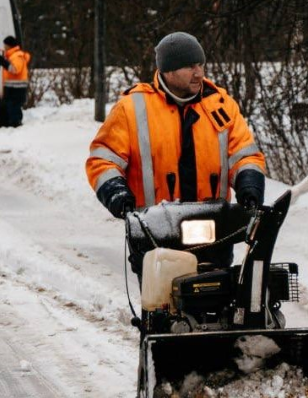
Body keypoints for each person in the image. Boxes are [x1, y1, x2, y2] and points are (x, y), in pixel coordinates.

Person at [86, 32, 266, 262]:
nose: (198, 73)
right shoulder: (132, 108)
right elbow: (103, 160)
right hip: (155, 231)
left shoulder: (220, 106)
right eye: (190, 67)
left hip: (213, 230)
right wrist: (117, 195)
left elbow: (244, 155)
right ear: (168, 71)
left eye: (200, 65)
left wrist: (250, 186)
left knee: (218, 294)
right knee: (163, 297)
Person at [0, 36, 30, 127]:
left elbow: (16, 69)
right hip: (12, 86)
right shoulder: (11, 56)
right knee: (12, 106)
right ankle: (14, 122)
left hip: (17, 87)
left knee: (14, 105)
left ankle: (16, 123)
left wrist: (4, 63)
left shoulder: (17, 56)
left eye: (5, 45)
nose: (4, 47)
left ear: (9, 45)